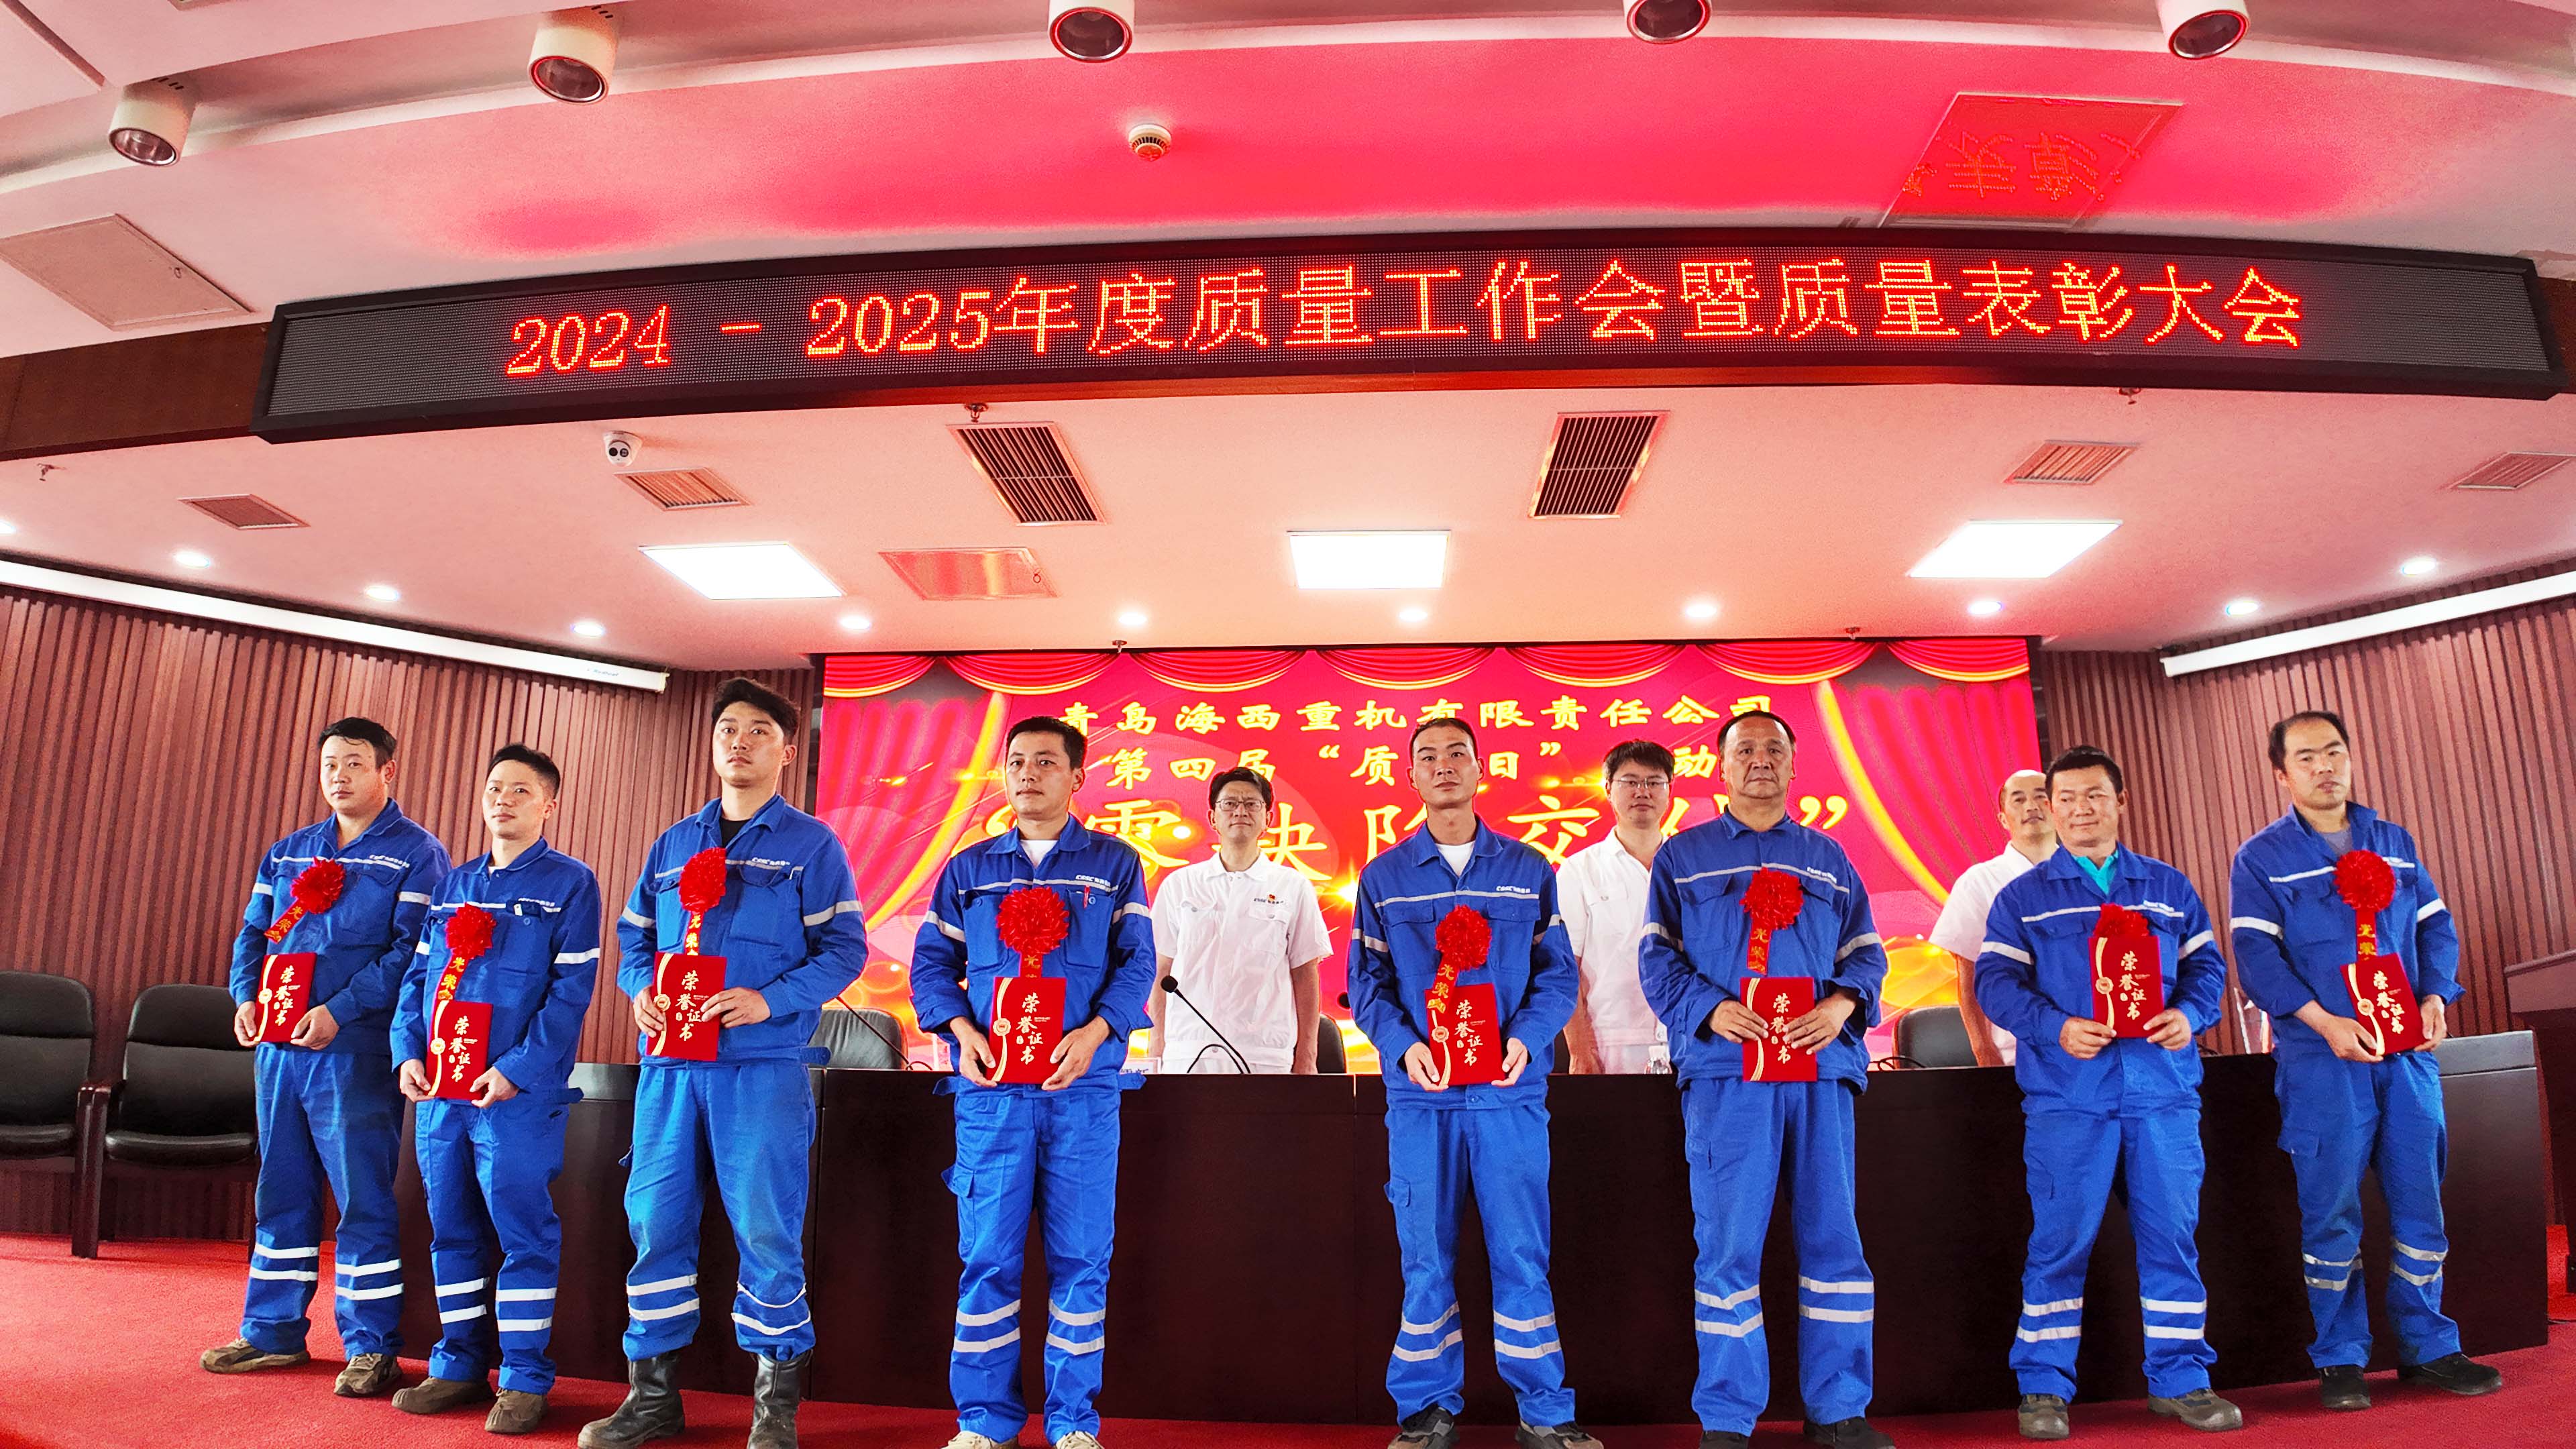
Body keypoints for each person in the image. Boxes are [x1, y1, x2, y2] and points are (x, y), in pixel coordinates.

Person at [583, 678, 867, 1449]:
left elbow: (845, 950)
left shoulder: (812, 846)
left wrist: (769, 1000)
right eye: (727, 730)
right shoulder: (674, 844)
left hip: (760, 1068)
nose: (739, 742)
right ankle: (652, 1397)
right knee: (655, 1223)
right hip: (671, 1069)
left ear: (787, 749)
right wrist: (640, 989)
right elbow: (635, 938)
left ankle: (774, 1411)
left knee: (768, 1232)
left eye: (757, 731)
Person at [2227, 710, 2500, 1409]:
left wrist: (2436, 996)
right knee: (2332, 1211)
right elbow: (2256, 956)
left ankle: (2429, 1347)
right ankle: (2340, 1357)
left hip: (2406, 1057)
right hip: (2324, 1061)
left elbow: (2436, 928)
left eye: (2335, 752)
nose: (2325, 767)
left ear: (2350, 759)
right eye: (2307, 757)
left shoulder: (2395, 842)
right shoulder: (2260, 858)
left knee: (2421, 1203)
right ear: (2281, 774)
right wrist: (2322, 1022)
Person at [1638, 710, 1893, 1449]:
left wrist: (1842, 1004)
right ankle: (1727, 1416)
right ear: (1720, 768)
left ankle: (1839, 1409)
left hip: (1819, 1070)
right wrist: (1709, 1010)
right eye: (1744, 749)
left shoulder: (1828, 857)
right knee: (1727, 1247)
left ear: (1793, 764)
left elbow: (1866, 954)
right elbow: (1656, 958)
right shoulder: (1682, 857)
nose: (1759, 760)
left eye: (1773, 749)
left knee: (1834, 1241)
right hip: (1728, 1075)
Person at [1975, 746, 2238, 1440]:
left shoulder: (2167, 887)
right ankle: (2042, 1386)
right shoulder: (2023, 898)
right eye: (2065, 799)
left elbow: (2207, 967)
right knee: (2059, 1243)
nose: (2079, 810)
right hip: (2069, 1099)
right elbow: (1994, 984)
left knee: (2172, 1240)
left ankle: (2181, 1379)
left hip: (2163, 1095)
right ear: (2050, 808)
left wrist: (2191, 1014)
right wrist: (2054, 1027)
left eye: (2094, 795)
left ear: (2121, 801)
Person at [1347, 717, 1596, 1449]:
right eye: (1428, 757)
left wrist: (1526, 1038)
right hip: (1421, 1098)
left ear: (1481, 769)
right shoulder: (1384, 877)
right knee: (1425, 1255)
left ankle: (1544, 1411)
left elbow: (1558, 976)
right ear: (1411, 777)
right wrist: (1402, 1048)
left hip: (1508, 1094)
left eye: (1457, 753)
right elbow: (1367, 983)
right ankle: (1426, 1410)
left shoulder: (1528, 868)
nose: (1444, 765)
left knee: (1522, 1252)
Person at [910, 716, 1157, 1449]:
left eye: (1046, 762)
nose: (1027, 773)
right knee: (987, 1259)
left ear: (1077, 777)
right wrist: (960, 1031)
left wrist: (1098, 1031)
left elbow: (1138, 963)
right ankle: (984, 1421)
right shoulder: (969, 869)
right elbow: (931, 966)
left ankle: (1074, 1422)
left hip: (1082, 1094)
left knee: (1082, 1259)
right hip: (992, 1098)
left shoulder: (1115, 864)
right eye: (1016, 761)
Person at [202, 717, 449, 1397]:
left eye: (354, 763)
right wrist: (246, 996)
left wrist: (339, 1010)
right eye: (330, 764)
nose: (338, 775)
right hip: (279, 1050)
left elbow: (410, 955)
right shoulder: (289, 852)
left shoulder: (418, 854)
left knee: (362, 1197)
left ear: (386, 772)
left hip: (353, 1051)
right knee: (280, 1190)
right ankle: (272, 1332)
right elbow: (253, 933)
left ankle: (371, 1347)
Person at [390, 744, 601, 1434]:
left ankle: (524, 1377)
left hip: (515, 1099)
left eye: (520, 790)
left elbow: (570, 994)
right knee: (450, 1231)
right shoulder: (454, 883)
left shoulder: (572, 883)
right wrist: (406, 1053)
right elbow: (416, 981)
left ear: (549, 805)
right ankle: (457, 1365)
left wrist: (516, 1069)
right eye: (494, 789)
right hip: (441, 1096)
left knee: (522, 1234)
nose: (503, 800)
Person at [1147, 766, 1332, 1073]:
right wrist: (1157, 1047)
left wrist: (1307, 1056)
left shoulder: (1292, 885)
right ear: (1213, 818)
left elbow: (1305, 973)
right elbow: (1161, 971)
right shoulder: (1180, 884)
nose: (1240, 812)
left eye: (1251, 804)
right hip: (1187, 1051)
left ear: (1268, 818)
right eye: (1229, 803)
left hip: (1265, 1053)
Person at [1558, 740, 1675, 1075]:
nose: (1643, 791)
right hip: (1610, 1042)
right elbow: (1566, 969)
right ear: (1608, 789)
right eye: (1630, 781)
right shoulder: (1579, 870)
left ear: (1669, 790)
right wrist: (1579, 1050)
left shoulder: (1687, 867)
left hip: (1687, 1039)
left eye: (1654, 782)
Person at [1926, 769, 2055, 1067]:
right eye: (2018, 800)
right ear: (2003, 819)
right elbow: (1968, 974)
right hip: (2015, 1054)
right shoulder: (1979, 881)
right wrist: (1983, 1049)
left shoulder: (2085, 876)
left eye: (2041, 797)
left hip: (2088, 1049)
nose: (2031, 806)